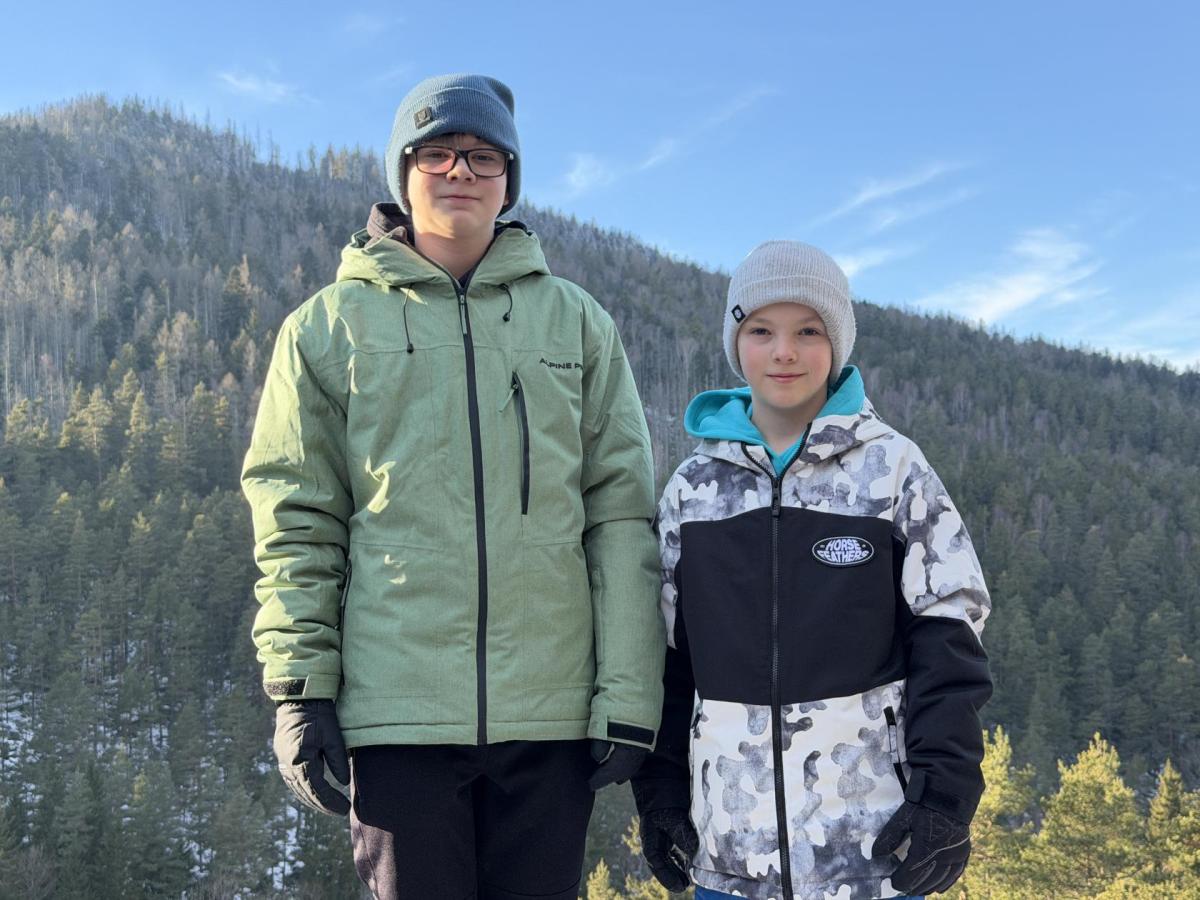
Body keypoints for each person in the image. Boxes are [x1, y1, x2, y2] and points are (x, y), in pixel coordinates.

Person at [241, 73, 664, 900]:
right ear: (402, 173)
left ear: (510, 180)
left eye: (482, 156)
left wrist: (629, 693)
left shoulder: (576, 322)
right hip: (397, 715)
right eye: (435, 152)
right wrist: (300, 691)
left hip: (551, 718)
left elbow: (620, 514)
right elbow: (298, 521)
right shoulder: (326, 328)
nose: (460, 171)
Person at [629, 241, 992, 900]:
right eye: (761, 330)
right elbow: (670, 661)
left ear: (838, 342)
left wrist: (944, 797)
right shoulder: (693, 489)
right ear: (736, 341)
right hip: (729, 857)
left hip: (872, 854)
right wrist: (659, 792)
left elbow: (950, 636)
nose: (784, 352)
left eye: (808, 331)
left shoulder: (893, 469)